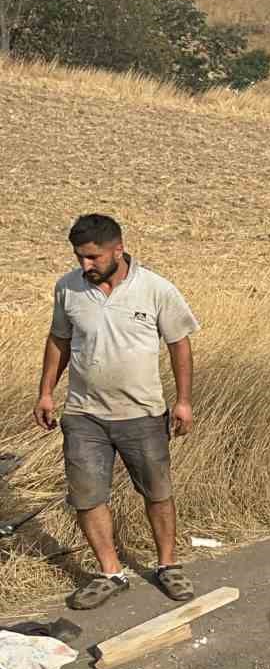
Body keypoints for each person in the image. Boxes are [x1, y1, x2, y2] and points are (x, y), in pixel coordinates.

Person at [34, 214, 202, 610]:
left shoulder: (156, 288)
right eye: (79, 257)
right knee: (88, 497)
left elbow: (180, 344)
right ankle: (111, 573)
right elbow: (59, 340)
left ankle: (168, 566)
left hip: (142, 413)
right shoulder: (68, 289)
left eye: (92, 257)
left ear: (118, 250)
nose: (85, 266)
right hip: (83, 415)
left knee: (157, 493)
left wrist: (183, 400)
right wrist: (45, 393)